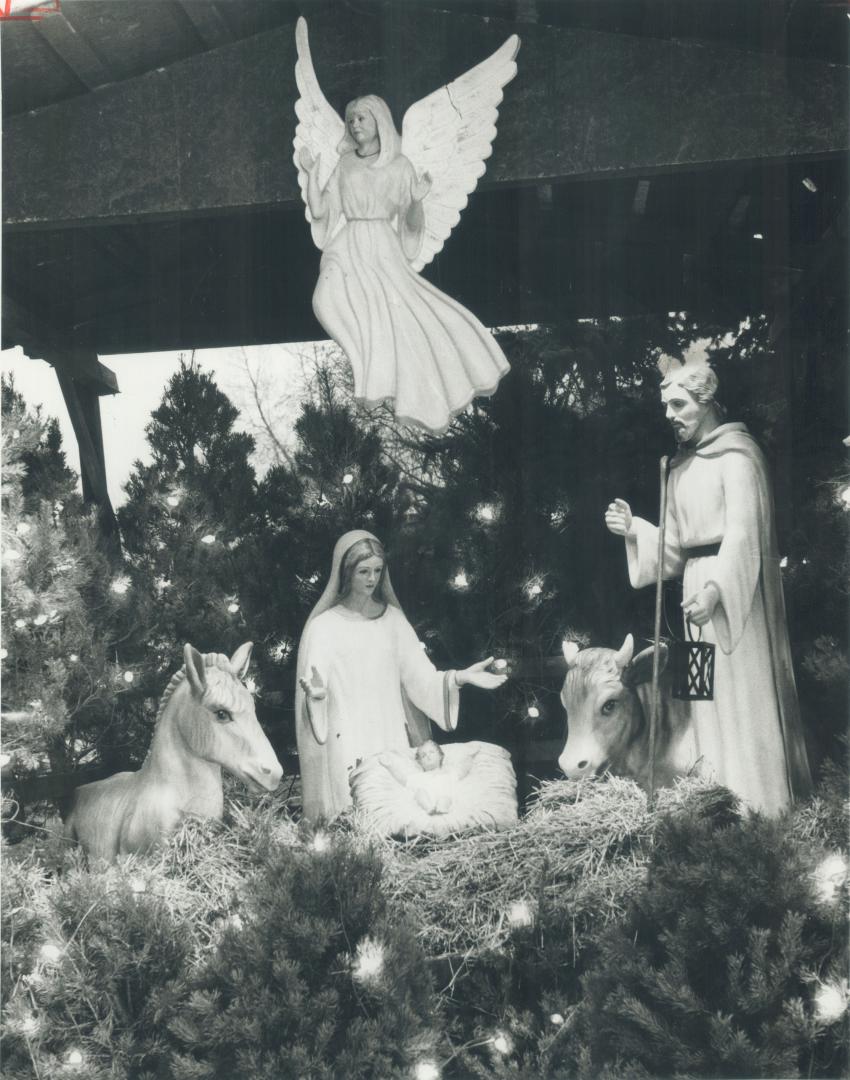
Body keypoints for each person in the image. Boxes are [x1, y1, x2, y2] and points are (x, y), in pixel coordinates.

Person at [604, 355, 811, 815]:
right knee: (703, 699)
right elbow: (675, 550)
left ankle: (759, 806)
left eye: (679, 405)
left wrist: (717, 590)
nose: (671, 417)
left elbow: (744, 534)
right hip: (692, 598)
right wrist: (635, 529)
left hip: (733, 596)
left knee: (737, 695)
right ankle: (714, 803)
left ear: (707, 401)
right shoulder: (679, 468)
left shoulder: (739, 456)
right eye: (666, 409)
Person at [298, 95, 510, 433]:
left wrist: (416, 200)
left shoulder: (400, 166)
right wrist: (311, 173)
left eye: (361, 118)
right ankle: (366, 366)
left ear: (379, 121)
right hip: (348, 243)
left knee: (402, 317)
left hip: (382, 247)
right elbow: (321, 211)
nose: (354, 125)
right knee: (323, 301)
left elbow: (411, 226)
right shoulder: (345, 164)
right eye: (351, 119)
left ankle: (391, 380)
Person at [295, 530, 507, 821]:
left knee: (391, 809)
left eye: (378, 571)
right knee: (351, 812)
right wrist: (318, 697)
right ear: (345, 574)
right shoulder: (324, 627)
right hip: (345, 734)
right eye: (363, 571)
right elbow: (314, 683)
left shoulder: (393, 621)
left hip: (389, 732)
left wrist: (460, 678)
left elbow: (421, 678)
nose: (371, 579)